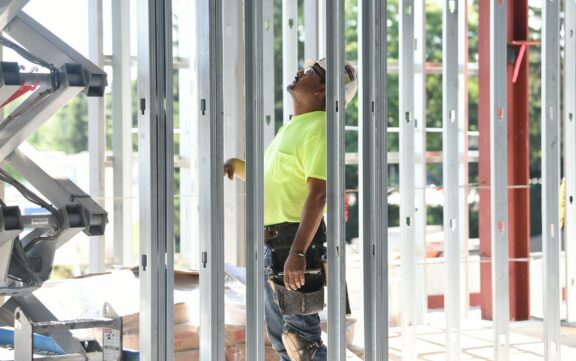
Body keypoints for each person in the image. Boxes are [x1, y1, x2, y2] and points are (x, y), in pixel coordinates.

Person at [224, 58, 357, 361]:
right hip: (275, 245)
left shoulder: (321, 129)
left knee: (302, 342)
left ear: (323, 90)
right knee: (285, 341)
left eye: (311, 72)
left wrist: (298, 253)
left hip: (294, 244)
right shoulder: (294, 128)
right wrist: (239, 167)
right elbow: (275, 179)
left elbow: (319, 194)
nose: (301, 72)